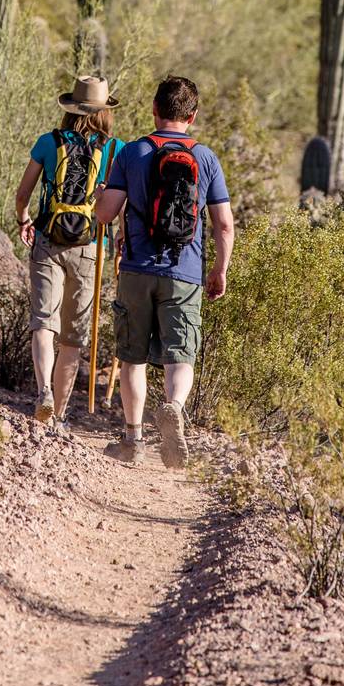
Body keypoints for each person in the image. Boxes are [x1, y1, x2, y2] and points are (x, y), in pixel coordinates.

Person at [95, 74, 233, 468]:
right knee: (180, 355)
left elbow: (105, 214)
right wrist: (219, 269)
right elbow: (223, 224)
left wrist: (103, 195)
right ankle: (173, 407)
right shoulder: (205, 158)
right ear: (193, 115)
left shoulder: (132, 153)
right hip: (184, 272)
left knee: (132, 357)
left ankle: (132, 439)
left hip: (136, 269)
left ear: (154, 109)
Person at [14, 75, 125, 426]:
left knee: (43, 322)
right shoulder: (114, 150)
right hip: (91, 247)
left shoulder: (49, 142)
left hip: (48, 240)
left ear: (71, 108)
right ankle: (58, 416)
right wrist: (120, 240)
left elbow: (22, 195)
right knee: (73, 337)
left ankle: (43, 391)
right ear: (105, 111)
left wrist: (24, 220)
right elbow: (120, 204)